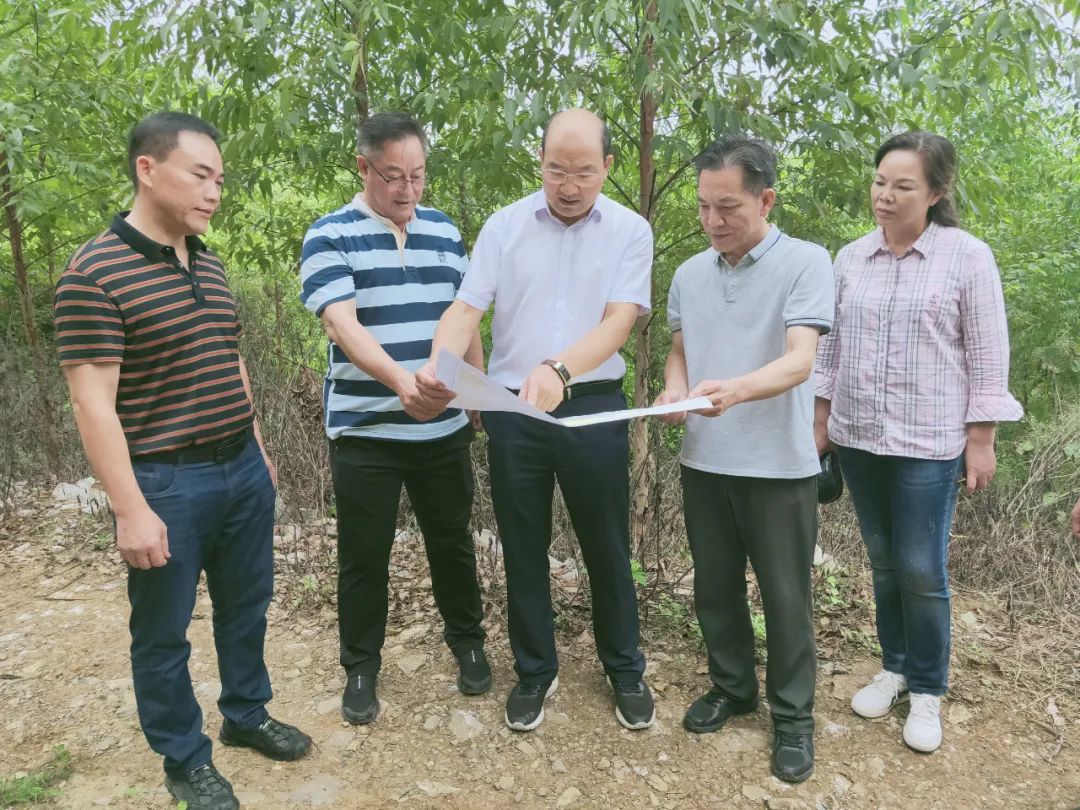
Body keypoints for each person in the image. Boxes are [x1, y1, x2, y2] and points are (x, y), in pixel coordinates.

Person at [53, 112, 310, 810]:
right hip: (165, 479)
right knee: (163, 632)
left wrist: (257, 448)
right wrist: (130, 509)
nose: (215, 192)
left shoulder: (208, 259)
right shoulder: (93, 274)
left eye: (220, 180)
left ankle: (246, 715)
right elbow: (92, 405)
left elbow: (229, 357)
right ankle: (184, 759)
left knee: (247, 605)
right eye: (201, 175)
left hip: (239, 469)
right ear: (147, 169)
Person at [416, 108, 655, 732]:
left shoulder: (630, 231)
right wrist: (438, 365)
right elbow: (467, 308)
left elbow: (619, 321)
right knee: (523, 545)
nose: (568, 185)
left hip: (594, 405)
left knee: (606, 543)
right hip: (513, 410)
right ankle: (534, 672)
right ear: (539, 162)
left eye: (582, 171)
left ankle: (625, 668)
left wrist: (560, 370)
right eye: (556, 170)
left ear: (608, 166)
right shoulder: (505, 226)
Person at [814, 131, 1023, 753]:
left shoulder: (966, 257)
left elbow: (988, 355)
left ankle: (928, 687)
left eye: (903, 186)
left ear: (936, 191)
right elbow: (830, 347)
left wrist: (980, 438)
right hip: (859, 435)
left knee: (920, 567)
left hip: (929, 440)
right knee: (881, 560)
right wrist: (821, 421)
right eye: (880, 181)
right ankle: (896, 665)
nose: (886, 195)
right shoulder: (850, 259)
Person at [299, 112, 490, 726]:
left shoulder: (444, 231)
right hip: (366, 431)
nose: (408, 190)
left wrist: (477, 398)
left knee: (453, 543)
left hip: (442, 428)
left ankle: (467, 644)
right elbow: (342, 324)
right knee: (363, 554)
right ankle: (360, 666)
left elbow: (465, 318)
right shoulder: (329, 234)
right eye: (393, 177)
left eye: (418, 176)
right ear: (363, 168)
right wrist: (402, 383)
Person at [653, 135, 833, 783]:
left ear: (767, 199)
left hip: (779, 466)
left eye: (727, 207)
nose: (712, 221)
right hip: (705, 460)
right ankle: (732, 688)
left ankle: (792, 718)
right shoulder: (690, 274)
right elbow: (681, 349)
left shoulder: (807, 263)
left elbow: (799, 360)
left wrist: (733, 388)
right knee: (715, 588)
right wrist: (676, 388)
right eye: (702, 207)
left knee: (787, 598)